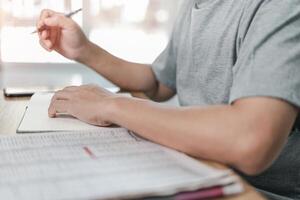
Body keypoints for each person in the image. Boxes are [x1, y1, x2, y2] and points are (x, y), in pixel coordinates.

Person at [37, 1, 300, 199]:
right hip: (197, 173)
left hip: (253, 193)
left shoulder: (279, 7)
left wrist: (110, 105)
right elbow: (159, 82)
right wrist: (84, 50)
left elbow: (251, 139)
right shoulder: (194, 6)